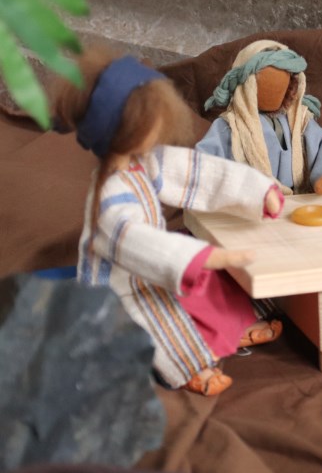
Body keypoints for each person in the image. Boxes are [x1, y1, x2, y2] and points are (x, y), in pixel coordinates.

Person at [52, 49, 286, 396]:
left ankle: (236, 328)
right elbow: (136, 240)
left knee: (215, 283)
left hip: (159, 263)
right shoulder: (109, 199)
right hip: (122, 283)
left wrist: (257, 190)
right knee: (156, 318)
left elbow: (194, 172)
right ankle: (192, 368)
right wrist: (202, 257)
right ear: (123, 130)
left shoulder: (144, 162)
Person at [196, 39, 322, 195]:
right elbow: (205, 161)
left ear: (291, 86)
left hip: (298, 197)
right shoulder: (231, 125)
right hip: (255, 199)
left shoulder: (299, 120)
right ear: (246, 87)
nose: (274, 94)